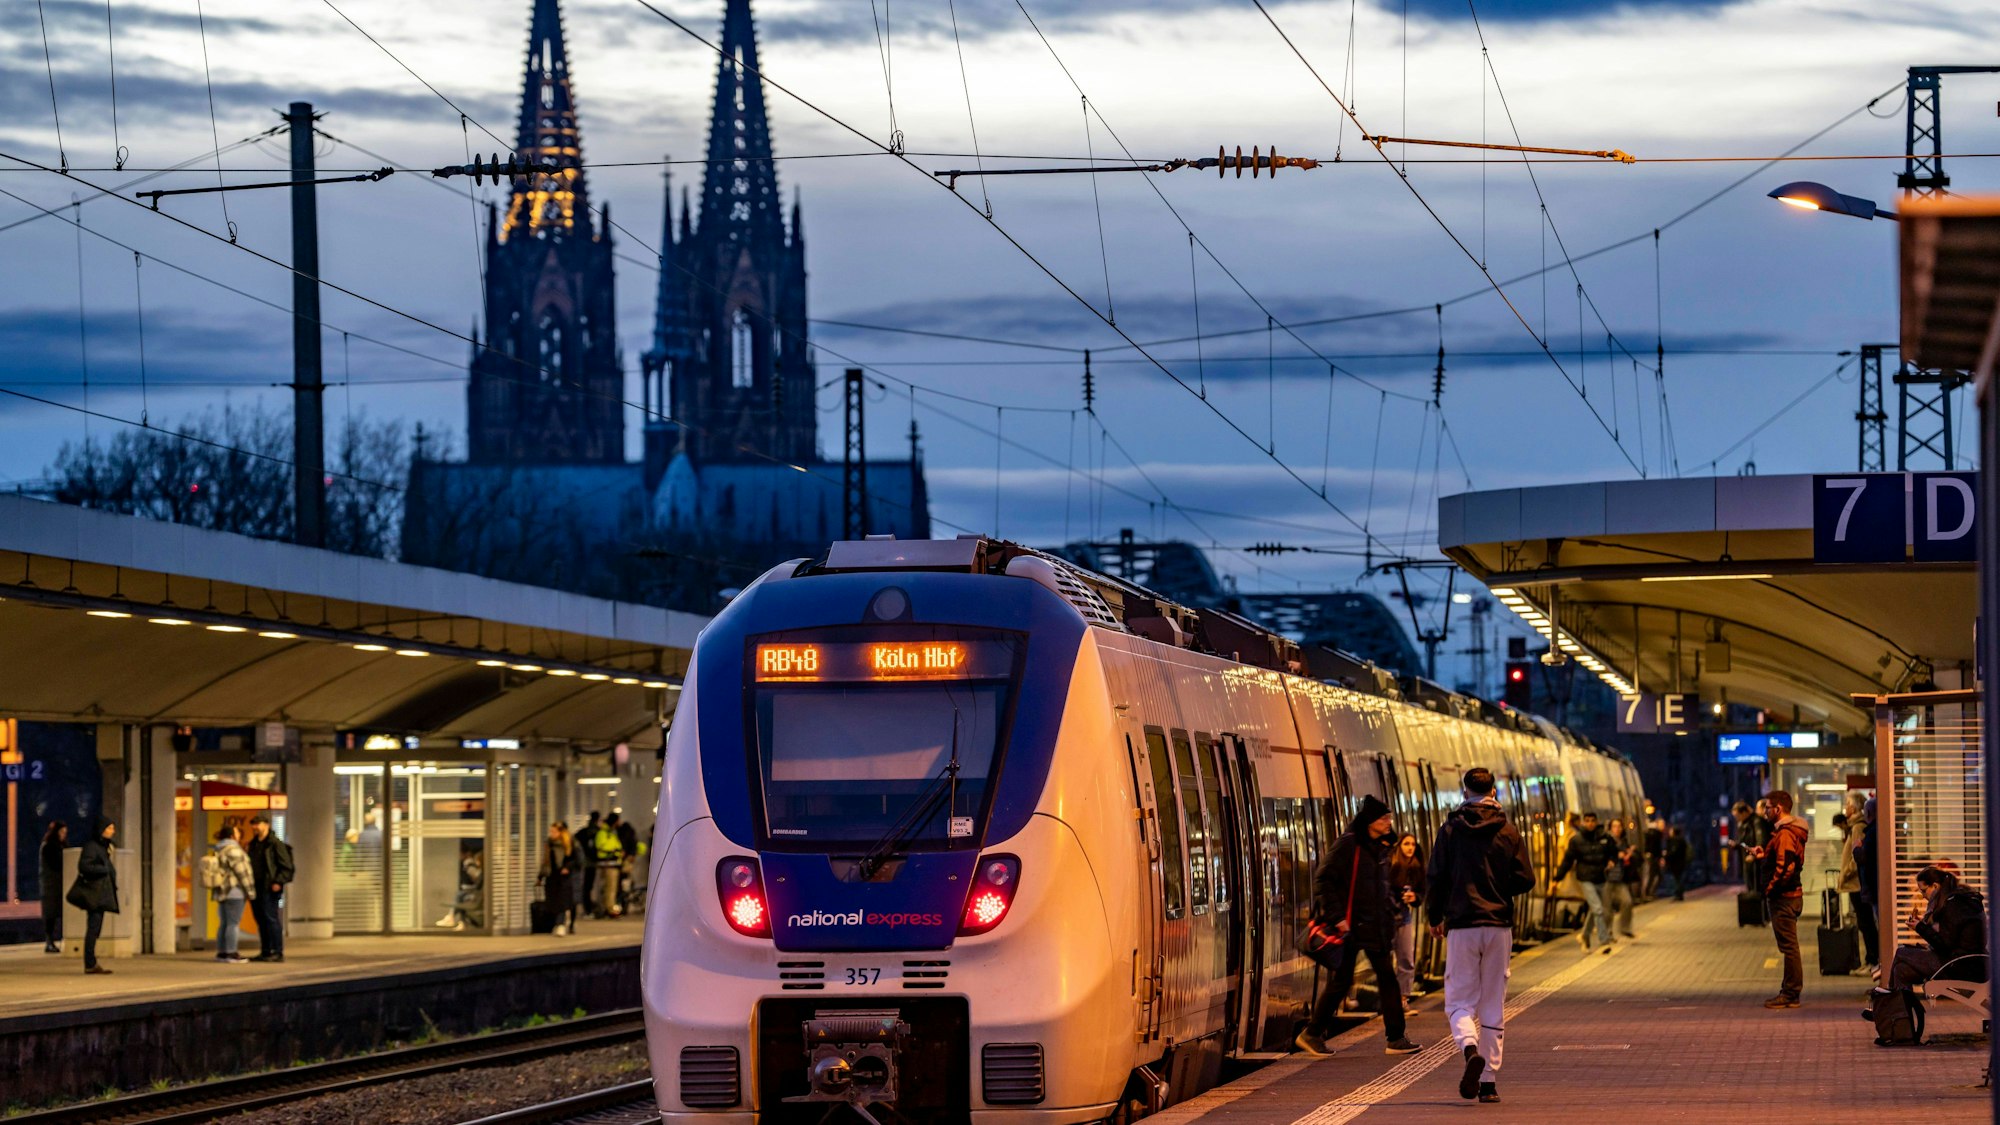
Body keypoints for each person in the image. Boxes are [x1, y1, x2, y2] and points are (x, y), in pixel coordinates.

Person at [1426, 767, 1536, 1105]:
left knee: (1459, 1000)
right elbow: (1526, 879)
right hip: (1498, 925)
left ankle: (1469, 1048)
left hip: (1461, 925)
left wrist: (1435, 916)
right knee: (1493, 1002)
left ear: (1464, 791)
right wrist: (1499, 889)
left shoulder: (1450, 830)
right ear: (1493, 792)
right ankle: (1488, 1083)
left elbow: (1436, 876)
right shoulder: (1508, 831)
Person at [1295, 794, 1421, 1058]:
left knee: (1382, 980)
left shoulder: (1380, 847)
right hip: (1351, 927)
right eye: (1384, 818)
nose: (1389, 822)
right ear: (1370, 821)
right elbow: (1324, 880)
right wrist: (1337, 917)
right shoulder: (1349, 845)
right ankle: (1316, 1033)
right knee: (1351, 982)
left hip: (1374, 926)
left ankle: (1316, 1033)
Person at [1746, 789, 1808, 1008]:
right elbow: (1782, 859)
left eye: (1767, 807)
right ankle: (1790, 992)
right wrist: (1765, 854)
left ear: (1778, 809)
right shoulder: (1787, 832)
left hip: (1784, 897)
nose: (1764, 812)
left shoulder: (1784, 834)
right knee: (1789, 946)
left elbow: (1786, 867)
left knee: (1789, 947)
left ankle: (1791, 993)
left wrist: (1769, 890)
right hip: (1789, 896)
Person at [1884, 864, 1987, 990]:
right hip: (1968, 963)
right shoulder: (1959, 900)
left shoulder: (1953, 905)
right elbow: (1950, 938)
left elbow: (1945, 945)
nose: (1922, 895)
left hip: (1959, 966)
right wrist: (1923, 927)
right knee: (1901, 970)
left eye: (1923, 890)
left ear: (1935, 886)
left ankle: (1888, 998)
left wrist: (1920, 928)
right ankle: (1897, 1008)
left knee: (1901, 952)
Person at [1553, 811, 1618, 953]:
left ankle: (1584, 935)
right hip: (1585, 879)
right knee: (1598, 909)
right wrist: (1557, 878)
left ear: (1596, 822)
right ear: (1583, 822)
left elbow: (1614, 852)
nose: (1590, 823)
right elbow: (1567, 861)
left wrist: (1613, 861)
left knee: (1594, 910)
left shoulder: (1605, 838)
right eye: (1587, 820)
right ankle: (1604, 941)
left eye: (1592, 821)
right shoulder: (1576, 840)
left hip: (1601, 878)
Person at [67, 816, 119, 975]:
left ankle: (91, 962)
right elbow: (84, 866)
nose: (112, 831)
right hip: (94, 895)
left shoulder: (104, 847)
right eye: (109, 828)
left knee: (95, 929)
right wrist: (104, 870)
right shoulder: (92, 847)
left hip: (100, 894)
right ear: (101, 829)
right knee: (93, 928)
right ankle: (90, 963)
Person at [245, 814, 295, 962]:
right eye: (253, 824)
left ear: (266, 825)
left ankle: (277, 951)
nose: (255, 827)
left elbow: (286, 866)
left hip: (270, 887)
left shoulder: (275, 844)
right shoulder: (253, 844)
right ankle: (265, 950)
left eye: (257, 824)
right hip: (256, 887)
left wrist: (278, 881)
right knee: (261, 919)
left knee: (271, 918)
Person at [1387, 831, 1427, 1011]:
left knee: (1406, 958)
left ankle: (1403, 999)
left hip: (1404, 915)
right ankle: (1387, 998)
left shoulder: (1417, 867)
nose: (1410, 848)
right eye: (1406, 844)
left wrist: (1414, 897)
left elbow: (1422, 892)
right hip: (1387, 916)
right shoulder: (1390, 864)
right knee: (1386, 959)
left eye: (1412, 844)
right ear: (1399, 846)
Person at [206, 824, 257, 963]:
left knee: (224, 923)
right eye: (236, 832)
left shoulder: (219, 848)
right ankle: (231, 952)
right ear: (231, 836)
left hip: (221, 891)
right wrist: (250, 891)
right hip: (235, 891)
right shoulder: (234, 850)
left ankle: (222, 952)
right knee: (233, 924)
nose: (239, 834)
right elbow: (242, 872)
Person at [540, 822, 577, 935]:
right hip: (552, 876)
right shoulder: (549, 844)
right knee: (553, 902)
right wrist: (540, 877)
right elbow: (545, 862)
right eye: (551, 831)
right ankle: (555, 924)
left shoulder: (569, 844)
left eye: (554, 831)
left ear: (561, 832)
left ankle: (561, 924)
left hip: (564, 877)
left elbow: (575, 860)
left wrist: (567, 868)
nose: (552, 834)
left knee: (562, 902)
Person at [1604, 818, 1638, 940]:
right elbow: (1602, 855)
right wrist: (1616, 856)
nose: (1617, 829)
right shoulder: (1606, 841)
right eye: (1614, 826)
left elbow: (1628, 858)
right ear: (1610, 828)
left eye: (1619, 826)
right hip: (1606, 879)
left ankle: (1625, 928)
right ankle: (1607, 934)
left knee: (1627, 902)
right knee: (1607, 910)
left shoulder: (1623, 842)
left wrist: (1629, 854)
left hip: (1619, 879)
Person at [39, 821, 67, 953]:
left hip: (59, 884)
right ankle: (49, 940)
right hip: (51, 885)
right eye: (61, 832)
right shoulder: (49, 847)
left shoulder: (62, 845)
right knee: (50, 914)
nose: (63, 835)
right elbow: (56, 863)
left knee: (57, 913)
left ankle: (56, 939)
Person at [592, 816, 626, 918]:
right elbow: (601, 847)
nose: (620, 823)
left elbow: (617, 846)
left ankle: (607, 908)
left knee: (610, 889)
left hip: (613, 864)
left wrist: (619, 852)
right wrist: (614, 851)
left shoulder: (611, 833)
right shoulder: (603, 833)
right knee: (609, 888)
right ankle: (608, 909)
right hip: (607, 865)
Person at [612, 812, 640, 912]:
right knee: (625, 884)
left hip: (622, 861)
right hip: (627, 861)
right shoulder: (629, 832)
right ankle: (624, 906)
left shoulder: (619, 832)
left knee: (620, 884)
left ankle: (621, 905)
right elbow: (634, 844)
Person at [579, 811, 603, 911]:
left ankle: (587, 906)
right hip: (592, 862)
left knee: (587, 886)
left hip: (586, 861)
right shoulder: (596, 831)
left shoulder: (584, 831)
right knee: (589, 885)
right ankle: (588, 907)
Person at [1663, 825, 1691, 901]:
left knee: (1676, 879)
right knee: (1679, 878)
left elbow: (1673, 852)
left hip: (1675, 863)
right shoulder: (1683, 840)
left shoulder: (1674, 841)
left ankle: (1678, 894)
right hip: (1682, 862)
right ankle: (1680, 894)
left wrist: (1666, 856)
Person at [1641, 818, 1665, 901]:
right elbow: (1656, 847)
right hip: (1654, 857)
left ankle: (1649, 892)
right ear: (1657, 824)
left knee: (1654, 875)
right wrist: (1660, 857)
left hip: (1654, 857)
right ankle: (1648, 893)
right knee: (1653, 875)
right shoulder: (1656, 834)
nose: (1663, 826)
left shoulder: (1652, 833)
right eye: (1662, 824)